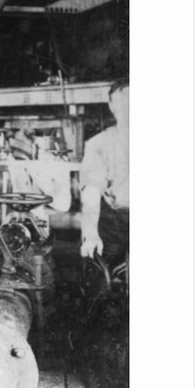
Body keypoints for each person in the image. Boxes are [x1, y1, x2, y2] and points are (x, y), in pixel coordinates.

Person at [79, 78, 129, 265]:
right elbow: (91, 189)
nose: (127, 108)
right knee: (100, 270)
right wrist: (90, 233)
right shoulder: (98, 143)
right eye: (121, 101)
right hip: (115, 224)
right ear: (111, 105)